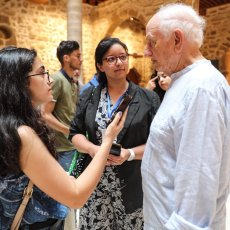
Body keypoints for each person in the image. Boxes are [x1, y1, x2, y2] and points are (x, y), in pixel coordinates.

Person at [0, 46, 126, 229]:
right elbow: (75, 196)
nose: (49, 80)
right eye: (42, 73)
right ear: (20, 82)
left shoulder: (10, 126)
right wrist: (108, 140)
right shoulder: (22, 134)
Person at [141, 3, 230, 230]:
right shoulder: (183, 81)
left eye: (152, 42)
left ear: (177, 40)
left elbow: (196, 199)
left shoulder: (202, 88)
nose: (146, 52)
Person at [69, 37, 160, 229]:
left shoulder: (147, 98)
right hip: (94, 186)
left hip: (133, 186)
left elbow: (158, 143)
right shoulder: (89, 95)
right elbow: (75, 133)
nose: (119, 63)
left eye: (123, 57)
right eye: (111, 59)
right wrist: (94, 150)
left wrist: (130, 153)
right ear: (100, 66)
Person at [41, 40, 82, 172]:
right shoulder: (57, 79)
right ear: (66, 58)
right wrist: (69, 131)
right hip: (63, 148)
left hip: (73, 145)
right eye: (78, 56)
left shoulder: (72, 82)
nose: (81, 60)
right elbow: (45, 115)